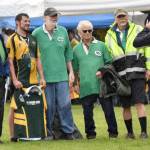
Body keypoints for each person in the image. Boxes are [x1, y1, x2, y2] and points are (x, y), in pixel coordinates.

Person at [105, 8, 149, 139]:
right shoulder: (108, 35)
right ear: (115, 19)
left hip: (138, 72)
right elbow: (109, 55)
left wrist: (149, 68)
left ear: (128, 16)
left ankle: (144, 132)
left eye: (124, 16)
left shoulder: (138, 29)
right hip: (121, 76)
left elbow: (147, 48)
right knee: (125, 106)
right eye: (119, 17)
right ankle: (130, 133)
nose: (122, 19)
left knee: (139, 103)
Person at [32, 7, 75, 140]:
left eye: (56, 17)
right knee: (48, 107)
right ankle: (48, 132)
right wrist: (38, 77)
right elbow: (33, 58)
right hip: (44, 78)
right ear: (44, 18)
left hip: (62, 76)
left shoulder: (62, 31)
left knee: (65, 105)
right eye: (51, 17)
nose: (54, 20)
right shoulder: (36, 33)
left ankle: (68, 132)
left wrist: (71, 72)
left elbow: (68, 54)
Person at [73, 20, 118, 139]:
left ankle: (113, 133)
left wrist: (102, 71)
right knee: (87, 112)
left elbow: (109, 63)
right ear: (79, 32)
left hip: (102, 84)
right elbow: (75, 69)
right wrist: (75, 84)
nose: (88, 33)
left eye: (90, 30)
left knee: (108, 110)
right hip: (85, 85)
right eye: (85, 31)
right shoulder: (76, 49)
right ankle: (90, 134)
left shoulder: (101, 45)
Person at [6, 13, 46, 141]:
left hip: (34, 80)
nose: (28, 23)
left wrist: (42, 77)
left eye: (29, 21)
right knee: (14, 106)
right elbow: (10, 61)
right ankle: (13, 136)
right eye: (25, 21)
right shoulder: (12, 39)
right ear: (18, 22)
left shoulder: (33, 38)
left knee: (37, 105)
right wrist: (14, 80)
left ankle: (36, 133)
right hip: (20, 80)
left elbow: (38, 59)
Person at [0, 34, 9, 144]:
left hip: (2, 77)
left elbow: (5, 57)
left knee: (0, 107)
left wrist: (6, 72)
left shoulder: (1, 38)